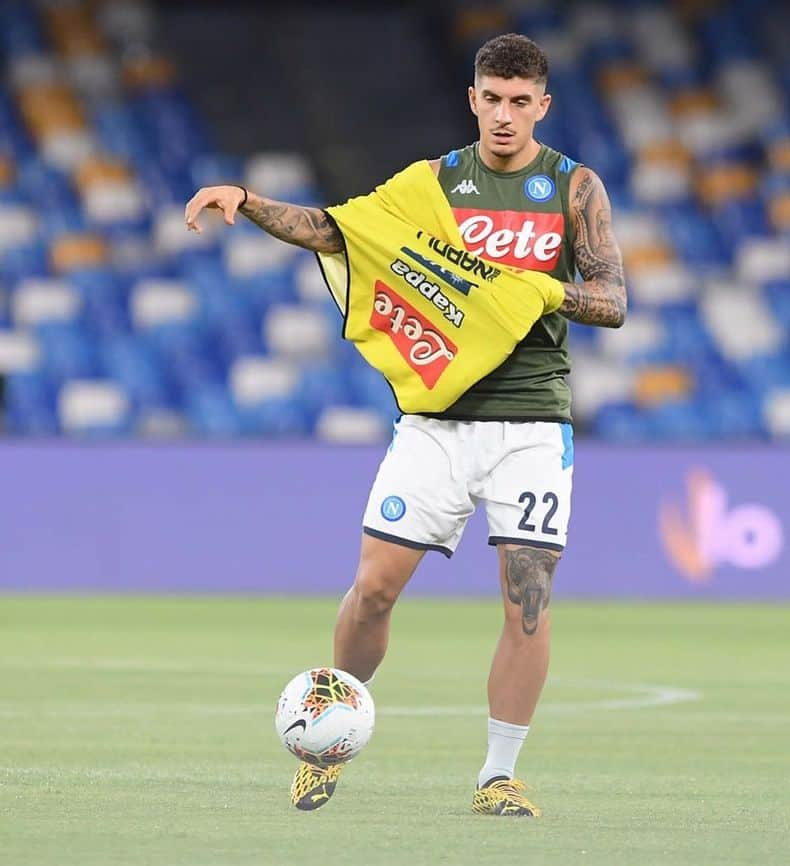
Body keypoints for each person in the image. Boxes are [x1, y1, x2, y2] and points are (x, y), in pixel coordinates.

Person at [185, 33, 626, 817]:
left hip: (529, 424)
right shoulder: (432, 185)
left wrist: (538, 290)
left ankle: (498, 776)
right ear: (472, 99)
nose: (504, 115)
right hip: (435, 423)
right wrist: (247, 203)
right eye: (491, 98)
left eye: (520, 102)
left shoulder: (574, 188)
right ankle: (327, 742)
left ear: (542, 107)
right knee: (375, 591)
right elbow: (338, 230)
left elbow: (612, 299)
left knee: (527, 598)